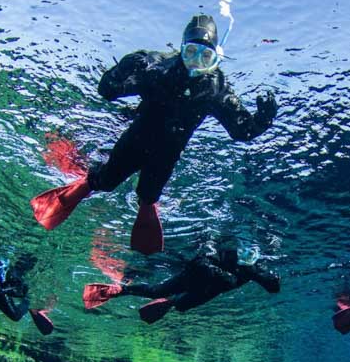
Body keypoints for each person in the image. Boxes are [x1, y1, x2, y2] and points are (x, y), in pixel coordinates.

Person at [30, 13, 278, 254]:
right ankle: (85, 184)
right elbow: (108, 90)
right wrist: (123, 67)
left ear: (215, 57)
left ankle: (144, 207)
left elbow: (241, 131)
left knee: (149, 194)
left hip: (167, 153)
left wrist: (264, 118)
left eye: (205, 56)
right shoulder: (156, 68)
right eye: (191, 53)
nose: (195, 63)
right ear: (181, 48)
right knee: (105, 181)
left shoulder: (216, 89)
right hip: (136, 138)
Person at [82, 242, 281, 323]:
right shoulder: (224, 249)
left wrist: (268, 277)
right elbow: (199, 261)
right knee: (155, 291)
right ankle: (120, 289)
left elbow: (273, 288)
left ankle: (170, 302)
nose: (246, 257)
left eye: (251, 255)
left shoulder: (254, 268)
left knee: (182, 305)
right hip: (194, 276)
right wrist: (223, 275)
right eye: (245, 253)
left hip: (210, 289)